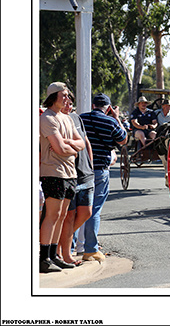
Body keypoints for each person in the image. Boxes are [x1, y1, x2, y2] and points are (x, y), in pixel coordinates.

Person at [39, 82, 86, 273]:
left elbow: (81, 143)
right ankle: (44, 258)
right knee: (52, 215)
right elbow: (59, 149)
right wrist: (71, 150)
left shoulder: (67, 118)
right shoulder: (47, 118)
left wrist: (67, 144)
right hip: (53, 172)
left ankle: (54, 255)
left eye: (68, 95)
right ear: (53, 97)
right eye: (63, 95)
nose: (67, 98)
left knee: (61, 215)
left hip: (70, 173)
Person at [80, 93, 127, 262]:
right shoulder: (110, 121)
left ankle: (69, 247)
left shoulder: (80, 118)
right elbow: (123, 139)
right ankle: (90, 249)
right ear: (108, 108)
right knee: (94, 210)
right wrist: (117, 118)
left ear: (93, 105)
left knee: (74, 210)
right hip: (100, 170)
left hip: (80, 170)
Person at [58, 93, 94, 266]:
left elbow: (85, 142)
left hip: (85, 172)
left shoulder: (76, 118)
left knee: (86, 213)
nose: (68, 105)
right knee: (69, 216)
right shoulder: (55, 121)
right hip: (70, 174)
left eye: (70, 103)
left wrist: (91, 164)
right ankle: (66, 254)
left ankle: (58, 241)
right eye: (65, 102)